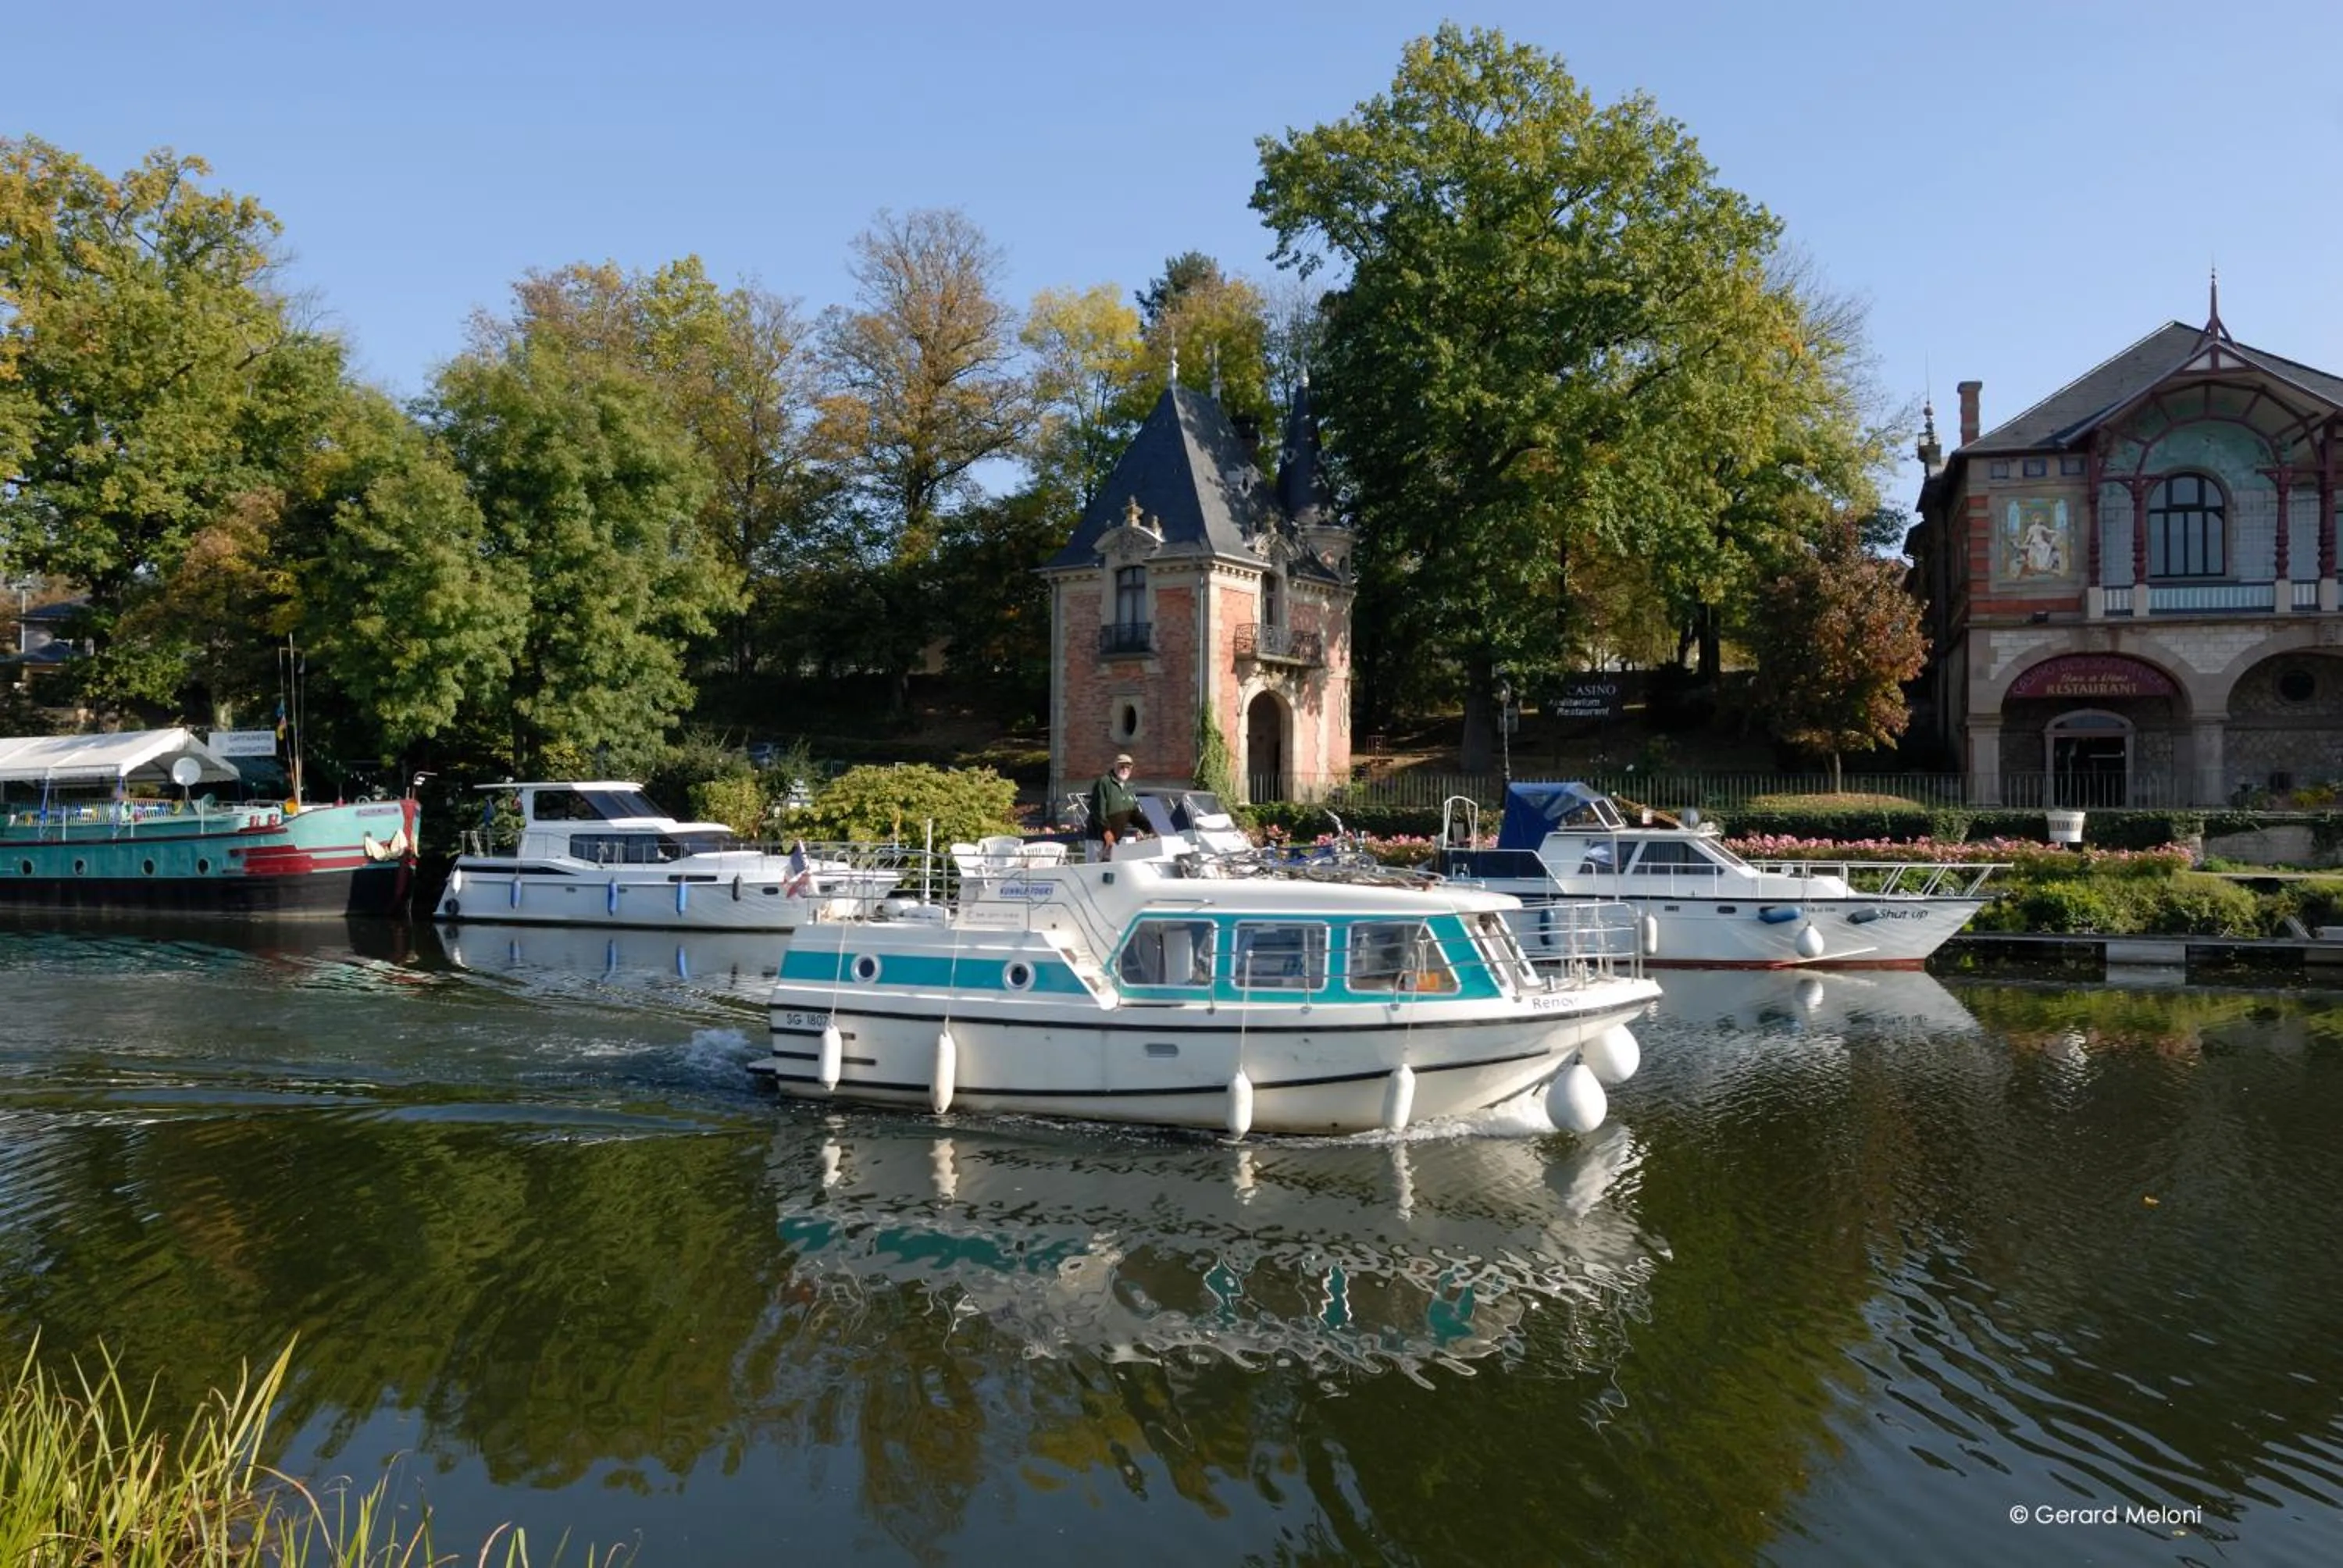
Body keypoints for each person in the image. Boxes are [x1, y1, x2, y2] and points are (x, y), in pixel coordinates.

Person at [1085, 754, 1141, 862]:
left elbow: (1134, 814)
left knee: (1112, 869)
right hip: (1098, 838)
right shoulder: (1104, 783)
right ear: (1115, 766)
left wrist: (1149, 829)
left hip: (1115, 841)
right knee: (1095, 868)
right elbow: (1098, 810)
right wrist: (1106, 831)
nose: (1125, 769)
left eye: (1128, 767)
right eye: (1122, 766)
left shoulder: (1128, 788)